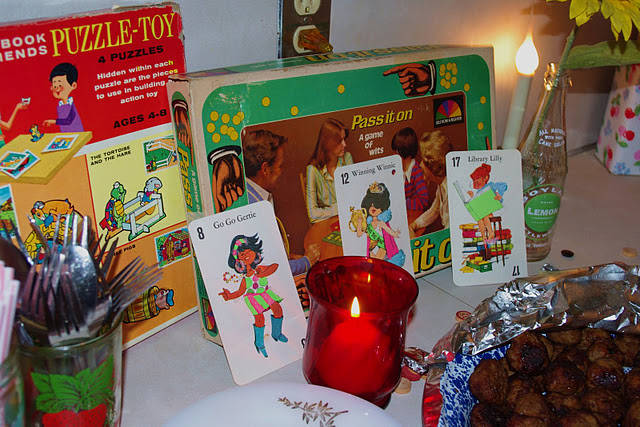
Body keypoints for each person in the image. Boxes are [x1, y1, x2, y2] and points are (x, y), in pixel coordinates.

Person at [243, 129, 320, 276]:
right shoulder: (255, 211)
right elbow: (271, 269)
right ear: (265, 169)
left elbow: (265, 255)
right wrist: (306, 261)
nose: (282, 170)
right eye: (280, 165)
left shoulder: (254, 194)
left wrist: (286, 257)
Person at [219, 233, 287, 358]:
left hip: (266, 294)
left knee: (277, 309)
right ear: (238, 260)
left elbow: (275, 266)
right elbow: (240, 292)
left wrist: (264, 273)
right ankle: (259, 343)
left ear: (254, 251)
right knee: (260, 319)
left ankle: (276, 333)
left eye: (248, 251)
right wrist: (229, 296)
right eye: (242, 254)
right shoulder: (245, 278)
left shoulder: (259, 269)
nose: (246, 255)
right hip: (253, 299)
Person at [305, 118, 353, 223]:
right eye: (339, 141)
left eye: (344, 139)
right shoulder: (312, 170)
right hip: (327, 223)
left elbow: (353, 196)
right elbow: (312, 214)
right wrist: (340, 208)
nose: (344, 144)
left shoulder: (347, 158)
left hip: (349, 218)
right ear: (328, 142)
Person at [410, 130, 454, 233]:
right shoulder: (441, 185)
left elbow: (449, 231)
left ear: (434, 166)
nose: (420, 165)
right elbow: (434, 211)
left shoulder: (451, 191)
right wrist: (414, 225)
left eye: (425, 162)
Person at [355, 181, 406, 267]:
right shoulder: (368, 224)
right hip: (372, 248)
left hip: (383, 247)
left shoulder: (381, 223)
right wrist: (359, 223)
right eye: (370, 205)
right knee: (372, 263)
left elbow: (389, 231)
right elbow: (359, 234)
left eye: (376, 205)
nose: (373, 208)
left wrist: (395, 233)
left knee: (377, 262)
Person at [391, 127, 429, 211]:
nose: (393, 155)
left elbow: (423, 201)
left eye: (396, 152)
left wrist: (402, 203)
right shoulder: (394, 170)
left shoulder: (417, 172)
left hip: (413, 214)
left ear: (405, 152)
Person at [467, 163, 507, 242]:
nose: (475, 181)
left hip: (497, 207)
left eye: (477, 179)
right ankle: (484, 236)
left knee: (485, 215)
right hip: (486, 210)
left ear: (485, 178)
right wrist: (472, 197)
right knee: (479, 218)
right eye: (474, 180)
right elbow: (478, 202)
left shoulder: (490, 186)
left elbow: (504, 185)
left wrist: (500, 195)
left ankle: (491, 232)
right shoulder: (479, 191)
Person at [43, 63, 84, 132]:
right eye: (54, 86)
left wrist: (53, 121)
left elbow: (68, 121)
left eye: (60, 85)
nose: (56, 89)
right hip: (66, 134)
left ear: (73, 85)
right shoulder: (60, 105)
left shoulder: (73, 105)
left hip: (77, 134)